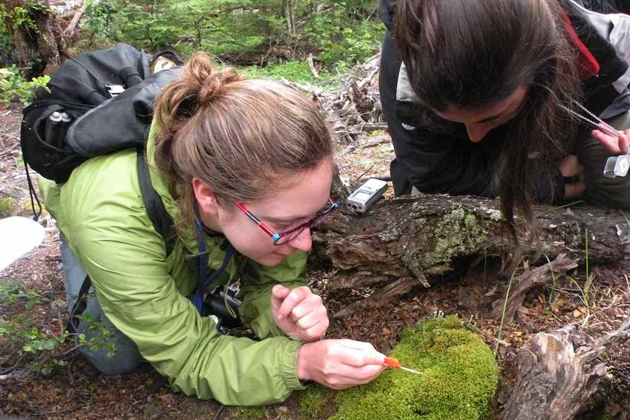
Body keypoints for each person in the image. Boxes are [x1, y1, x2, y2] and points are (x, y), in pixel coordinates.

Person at [39, 53, 386, 406]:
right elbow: (190, 357)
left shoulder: (263, 175)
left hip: (194, 216)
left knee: (220, 262)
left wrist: (281, 318)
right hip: (103, 222)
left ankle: (194, 290)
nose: (305, 243)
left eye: (311, 218)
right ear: (207, 195)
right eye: (285, 226)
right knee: (117, 358)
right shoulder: (110, 218)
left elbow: (272, 282)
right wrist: (299, 364)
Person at [379, 0, 630, 237]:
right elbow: (435, 173)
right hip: (474, 161)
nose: (474, 135)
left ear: (541, 68)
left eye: (488, 117)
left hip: (577, 119)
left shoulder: (595, 24)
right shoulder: (406, 67)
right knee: (432, 219)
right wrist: (545, 182)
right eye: (456, 119)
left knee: (623, 177)